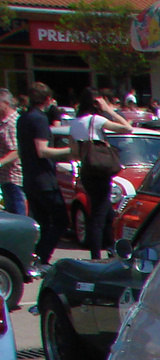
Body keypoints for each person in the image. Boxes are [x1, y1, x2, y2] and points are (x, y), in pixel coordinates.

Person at [71, 87, 133, 260]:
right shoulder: (96, 120)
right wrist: (109, 110)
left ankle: (111, 246)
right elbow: (127, 128)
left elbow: (74, 151)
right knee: (98, 214)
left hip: (87, 171)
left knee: (106, 212)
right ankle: (96, 255)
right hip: (100, 171)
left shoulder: (75, 123)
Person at [19, 84, 70, 266]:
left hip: (30, 178)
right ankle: (42, 256)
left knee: (42, 222)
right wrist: (69, 151)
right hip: (44, 180)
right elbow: (42, 150)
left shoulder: (24, 117)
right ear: (47, 99)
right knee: (61, 220)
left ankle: (37, 257)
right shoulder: (39, 119)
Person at [0, 91, 24, 217]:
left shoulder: (12, 123)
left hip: (13, 178)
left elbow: (16, 151)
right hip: (5, 178)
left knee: (18, 217)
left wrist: (0, 162)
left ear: (6, 103)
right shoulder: (3, 123)